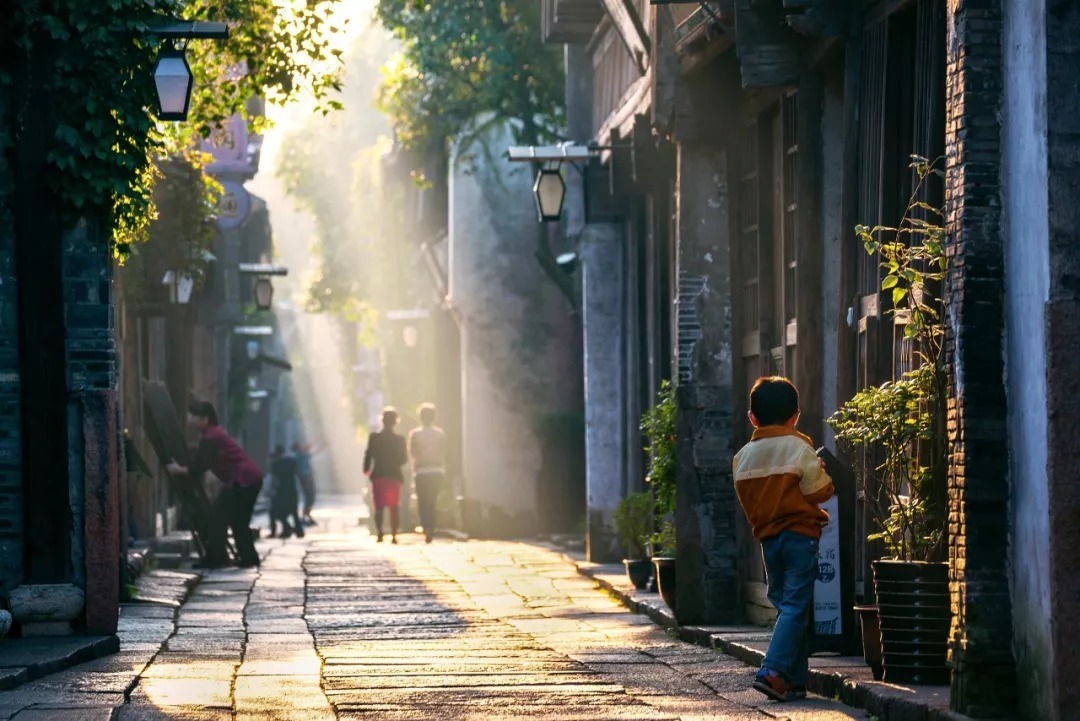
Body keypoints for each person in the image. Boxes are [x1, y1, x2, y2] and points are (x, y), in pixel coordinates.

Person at [732, 376, 834, 702]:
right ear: (795, 416)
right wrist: (821, 471)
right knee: (795, 606)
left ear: (752, 418)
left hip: (768, 540)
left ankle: (794, 681)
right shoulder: (798, 448)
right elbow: (819, 491)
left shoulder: (742, 457)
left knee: (787, 606)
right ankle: (772, 671)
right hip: (800, 536)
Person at [167, 401, 264, 569]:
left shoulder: (211, 437)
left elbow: (199, 468)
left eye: (193, 415)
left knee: (217, 518)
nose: (190, 419)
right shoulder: (214, 433)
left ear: (205, 418)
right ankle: (248, 558)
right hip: (249, 479)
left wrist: (177, 469)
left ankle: (215, 559)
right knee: (238, 521)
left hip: (242, 480)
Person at [363, 407, 407, 544]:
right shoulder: (400, 440)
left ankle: (380, 532)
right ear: (395, 422)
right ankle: (394, 535)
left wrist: (366, 469)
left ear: (382, 421)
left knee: (379, 506)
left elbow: (368, 454)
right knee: (394, 506)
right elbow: (404, 459)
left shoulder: (374, 438)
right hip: (394, 475)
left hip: (378, 475)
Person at [408, 403, 446, 544]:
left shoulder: (415, 434)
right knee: (432, 501)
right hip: (436, 470)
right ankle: (431, 527)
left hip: (421, 471)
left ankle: (426, 527)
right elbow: (442, 452)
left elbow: (413, 453)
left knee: (422, 501)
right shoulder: (439, 434)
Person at [268, 445, 304, 539]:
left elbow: (274, 480)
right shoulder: (291, 462)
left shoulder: (275, 464)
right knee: (294, 512)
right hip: (292, 490)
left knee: (275, 512)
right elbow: (298, 474)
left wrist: (271, 491)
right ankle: (298, 531)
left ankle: (280, 530)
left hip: (281, 492)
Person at [292, 440, 320, 526]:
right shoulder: (300, 455)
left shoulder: (301, 455)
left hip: (307, 478)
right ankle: (305, 515)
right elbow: (308, 448)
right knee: (309, 496)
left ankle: (306, 515)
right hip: (305, 478)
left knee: (310, 496)